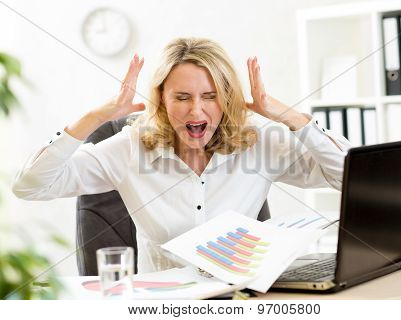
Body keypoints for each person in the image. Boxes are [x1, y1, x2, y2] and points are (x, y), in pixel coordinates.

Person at [12, 37, 351, 273]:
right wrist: (95, 118)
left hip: (243, 300)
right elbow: (31, 187)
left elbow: (349, 176)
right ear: (160, 98)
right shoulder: (130, 147)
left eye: (210, 95)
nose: (196, 111)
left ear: (227, 97)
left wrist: (293, 118)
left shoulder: (258, 142)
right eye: (182, 97)